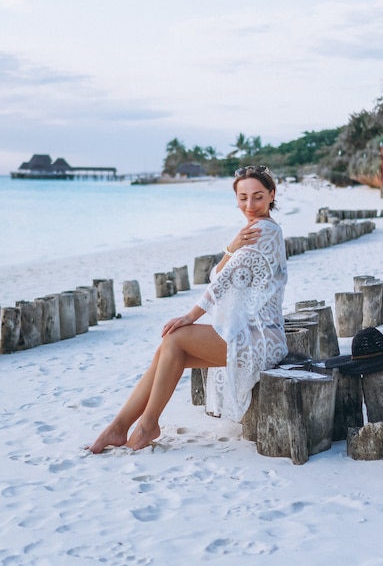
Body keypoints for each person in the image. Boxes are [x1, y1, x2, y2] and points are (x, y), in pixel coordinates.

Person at [87, 165, 288, 453]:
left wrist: (190, 316)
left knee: (176, 338)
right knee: (168, 352)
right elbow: (220, 275)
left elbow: (220, 281)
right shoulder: (251, 231)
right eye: (243, 198)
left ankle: (144, 425)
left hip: (261, 339)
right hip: (251, 333)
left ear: (271, 195)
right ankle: (119, 427)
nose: (250, 205)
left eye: (257, 197)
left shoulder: (264, 232)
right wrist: (231, 248)